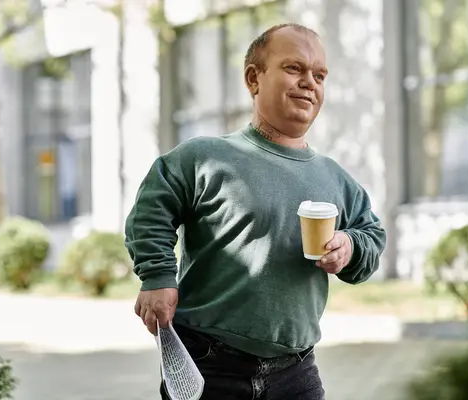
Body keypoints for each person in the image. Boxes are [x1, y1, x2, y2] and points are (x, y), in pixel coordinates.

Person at [125, 23, 387, 400]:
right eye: (294, 68)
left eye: (319, 75)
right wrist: (157, 276)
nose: (309, 82)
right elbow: (152, 207)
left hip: (296, 371)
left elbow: (371, 237)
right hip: (209, 363)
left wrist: (350, 245)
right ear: (254, 78)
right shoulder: (204, 157)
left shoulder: (336, 179)